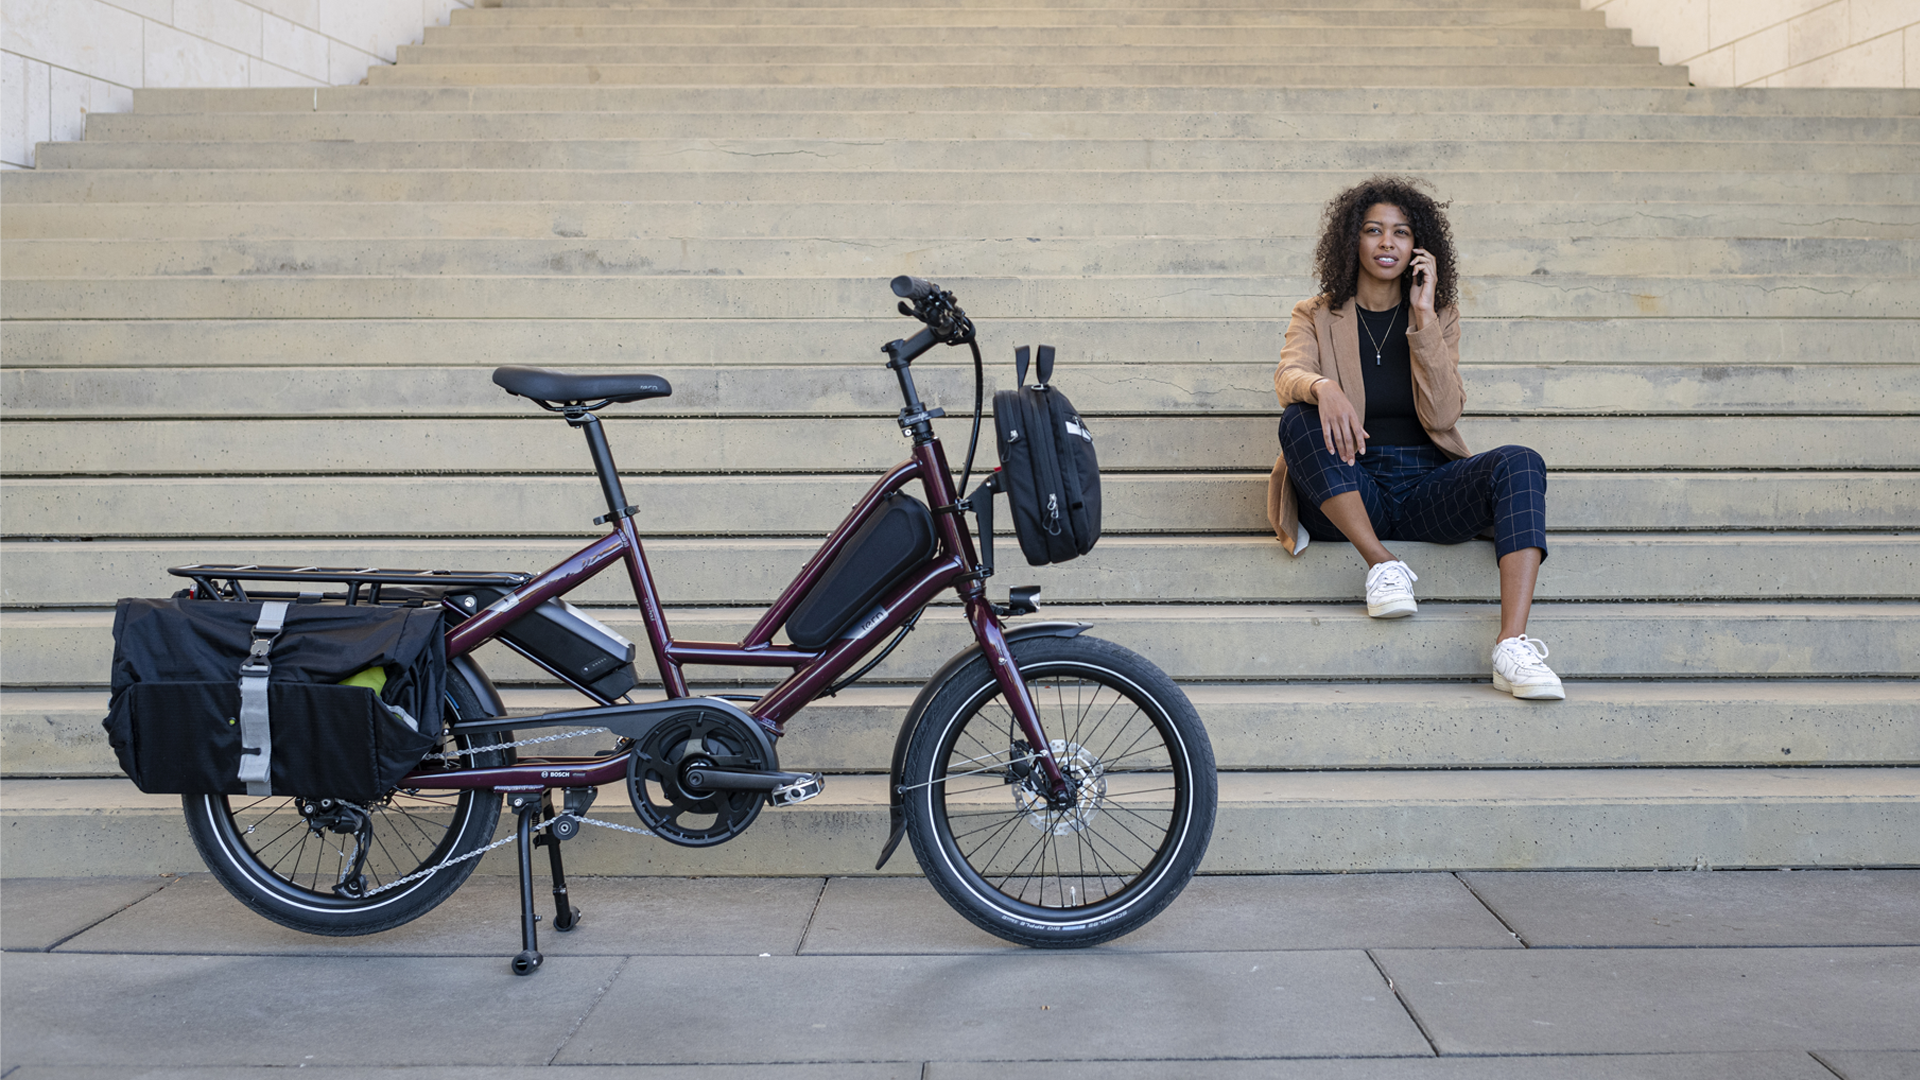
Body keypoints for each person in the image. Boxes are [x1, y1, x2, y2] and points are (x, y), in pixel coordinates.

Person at [1266, 176, 1564, 700]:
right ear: (1351, 240)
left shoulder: (1438, 315)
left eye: (1401, 233)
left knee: (1521, 461)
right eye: (1374, 230)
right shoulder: (1315, 314)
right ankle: (1382, 563)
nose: (1387, 243)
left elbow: (1446, 411)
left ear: (1418, 247)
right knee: (1298, 417)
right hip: (1350, 484)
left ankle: (1512, 645)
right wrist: (1322, 386)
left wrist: (1423, 319)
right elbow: (1289, 374)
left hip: (1429, 488)